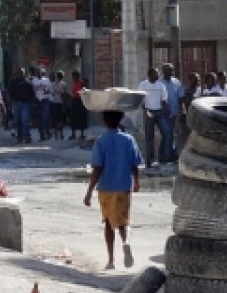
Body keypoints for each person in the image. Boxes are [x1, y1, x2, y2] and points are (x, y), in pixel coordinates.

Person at [83, 110, 143, 269]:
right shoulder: (129, 139)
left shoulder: (101, 141)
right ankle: (126, 242)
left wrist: (89, 192)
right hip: (124, 186)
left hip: (106, 188)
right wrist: (136, 181)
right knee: (124, 221)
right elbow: (135, 164)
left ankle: (111, 260)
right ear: (121, 119)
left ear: (104, 120)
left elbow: (97, 168)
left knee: (109, 223)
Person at [138, 67, 168, 168]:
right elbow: (140, 100)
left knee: (166, 132)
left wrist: (165, 112)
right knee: (149, 138)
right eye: (155, 74)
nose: (157, 75)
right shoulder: (143, 85)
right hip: (148, 112)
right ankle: (148, 162)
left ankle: (162, 157)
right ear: (150, 75)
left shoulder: (161, 85)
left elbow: (164, 100)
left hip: (159, 112)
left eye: (157, 73)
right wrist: (145, 111)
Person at [159, 63, 184, 161]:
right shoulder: (160, 83)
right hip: (163, 113)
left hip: (174, 112)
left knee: (169, 134)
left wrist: (182, 111)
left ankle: (164, 154)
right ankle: (167, 156)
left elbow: (181, 97)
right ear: (164, 71)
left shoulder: (176, 82)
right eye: (169, 70)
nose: (171, 72)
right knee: (168, 133)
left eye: (172, 70)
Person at [7, 69, 34, 144]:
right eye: (20, 73)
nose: (21, 74)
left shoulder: (28, 82)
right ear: (17, 73)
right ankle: (20, 137)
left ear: (24, 73)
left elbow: (32, 93)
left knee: (25, 120)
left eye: (22, 73)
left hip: (25, 103)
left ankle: (27, 136)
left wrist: (31, 103)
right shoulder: (13, 82)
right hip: (16, 103)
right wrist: (9, 103)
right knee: (18, 120)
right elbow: (9, 93)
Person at [32, 67, 53, 141]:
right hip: (38, 101)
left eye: (39, 72)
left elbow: (51, 90)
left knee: (45, 117)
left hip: (45, 100)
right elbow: (33, 92)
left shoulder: (46, 80)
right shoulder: (34, 81)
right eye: (37, 72)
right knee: (40, 119)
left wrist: (47, 91)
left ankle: (47, 132)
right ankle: (42, 135)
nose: (38, 73)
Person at [69, 71, 89, 139]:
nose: (73, 77)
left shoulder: (82, 83)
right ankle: (73, 134)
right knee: (73, 118)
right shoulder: (74, 84)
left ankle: (82, 134)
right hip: (74, 101)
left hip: (80, 102)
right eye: (73, 76)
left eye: (75, 76)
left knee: (82, 117)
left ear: (78, 76)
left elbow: (85, 90)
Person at [51, 70, 69, 139]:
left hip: (55, 102)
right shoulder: (64, 84)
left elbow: (52, 93)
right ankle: (60, 134)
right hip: (61, 103)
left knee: (57, 118)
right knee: (61, 119)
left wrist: (56, 93)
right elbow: (65, 94)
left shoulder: (53, 84)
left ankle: (57, 134)